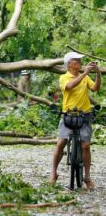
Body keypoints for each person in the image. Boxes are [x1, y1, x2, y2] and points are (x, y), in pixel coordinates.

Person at [49, 51, 101, 189]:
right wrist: (85, 73)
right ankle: (53, 173)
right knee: (60, 143)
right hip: (68, 115)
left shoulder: (85, 77)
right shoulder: (64, 77)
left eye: (80, 60)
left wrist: (97, 73)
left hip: (85, 115)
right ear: (69, 64)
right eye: (76, 60)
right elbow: (70, 86)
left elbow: (95, 88)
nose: (80, 63)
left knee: (86, 145)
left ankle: (87, 177)